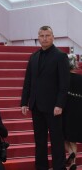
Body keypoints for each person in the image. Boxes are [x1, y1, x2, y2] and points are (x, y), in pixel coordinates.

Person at [21, 25, 70, 170]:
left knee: (57, 141)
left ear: (53, 37)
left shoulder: (60, 56)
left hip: (53, 107)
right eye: (41, 36)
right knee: (39, 141)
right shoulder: (33, 57)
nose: (44, 38)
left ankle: (59, 167)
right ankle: (41, 167)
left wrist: (59, 104)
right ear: (38, 38)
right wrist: (24, 101)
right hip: (36, 106)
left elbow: (64, 83)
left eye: (47, 35)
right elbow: (28, 81)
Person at [63, 53, 82, 170]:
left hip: (66, 109)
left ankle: (71, 154)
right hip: (78, 110)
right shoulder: (81, 78)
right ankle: (73, 162)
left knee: (64, 137)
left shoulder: (64, 78)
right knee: (73, 138)